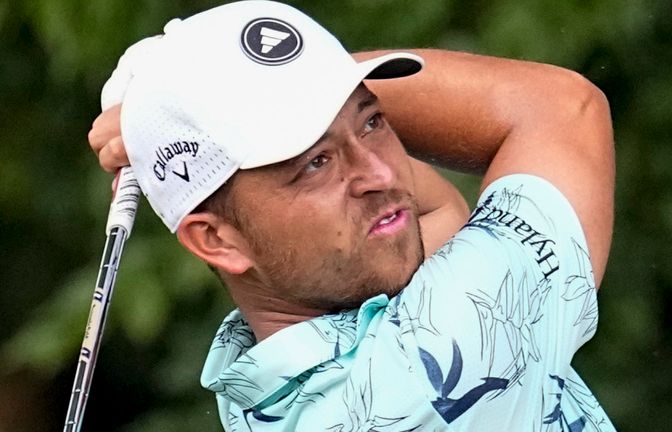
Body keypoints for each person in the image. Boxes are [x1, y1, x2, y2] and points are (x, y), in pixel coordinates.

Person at [88, 1, 615, 430]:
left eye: (371, 123)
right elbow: (561, 108)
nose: (382, 175)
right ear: (217, 241)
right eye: (314, 164)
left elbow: (437, 211)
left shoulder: (267, 374)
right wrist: (188, 103)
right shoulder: (421, 375)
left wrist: (213, 94)